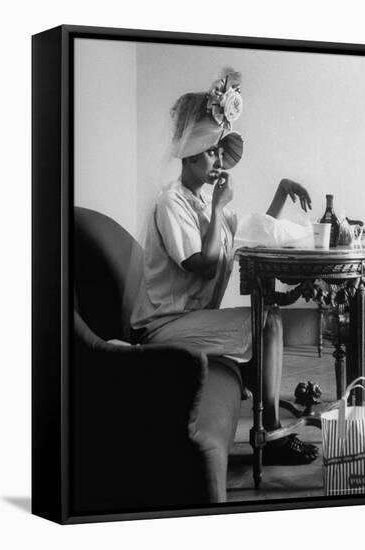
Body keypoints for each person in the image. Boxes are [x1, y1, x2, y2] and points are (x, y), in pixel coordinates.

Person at [131, 69, 317, 464]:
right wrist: (217, 208)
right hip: (162, 326)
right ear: (191, 153)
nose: (219, 160)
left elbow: (255, 230)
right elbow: (203, 264)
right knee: (265, 322)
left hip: (190, 318)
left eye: (219, 151)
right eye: (213, 150)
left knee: (270, 318)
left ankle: (270, 428)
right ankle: (271, 437)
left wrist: (280, 191)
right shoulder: (172, 204)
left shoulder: (201, 203)